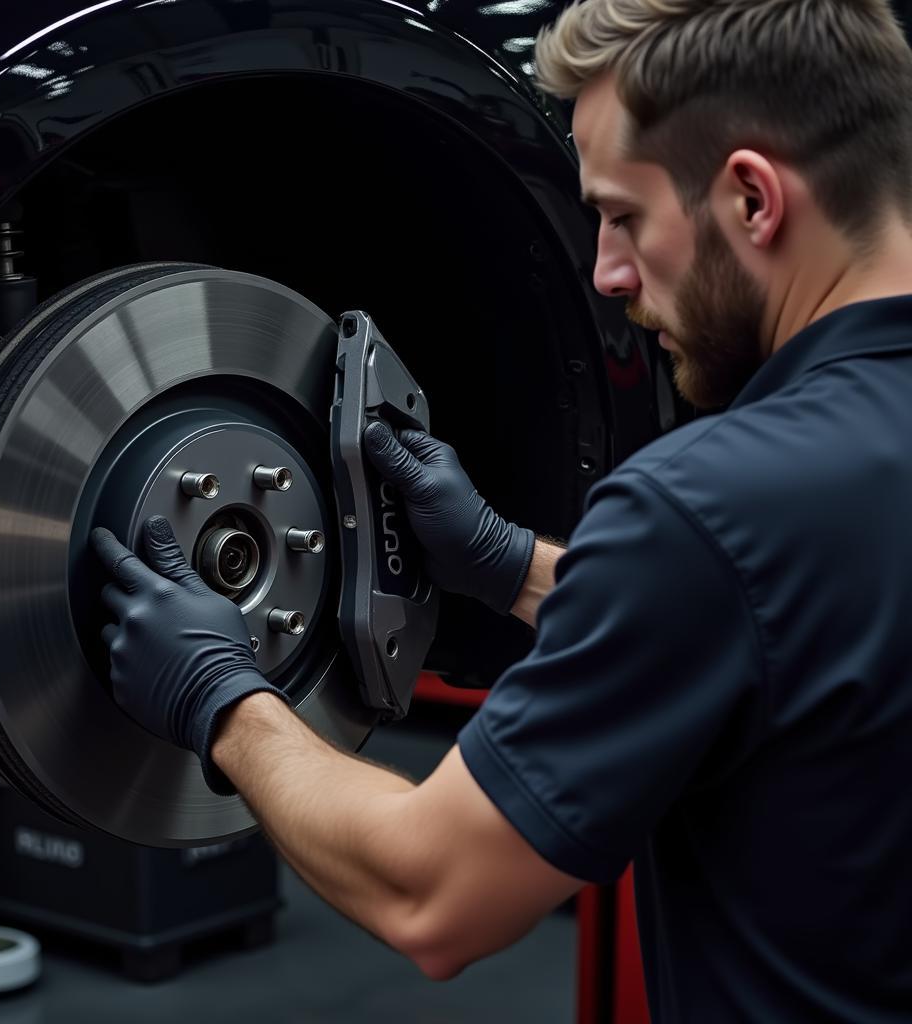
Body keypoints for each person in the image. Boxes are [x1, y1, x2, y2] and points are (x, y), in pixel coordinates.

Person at [92, 1, 912, 1019]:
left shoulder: (706, 503)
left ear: (751, 197)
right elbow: (808, 617)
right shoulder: (779, 501)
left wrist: (219, 693)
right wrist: (510, 563)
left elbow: (430, 893)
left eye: (622, 216)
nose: (609, 273)